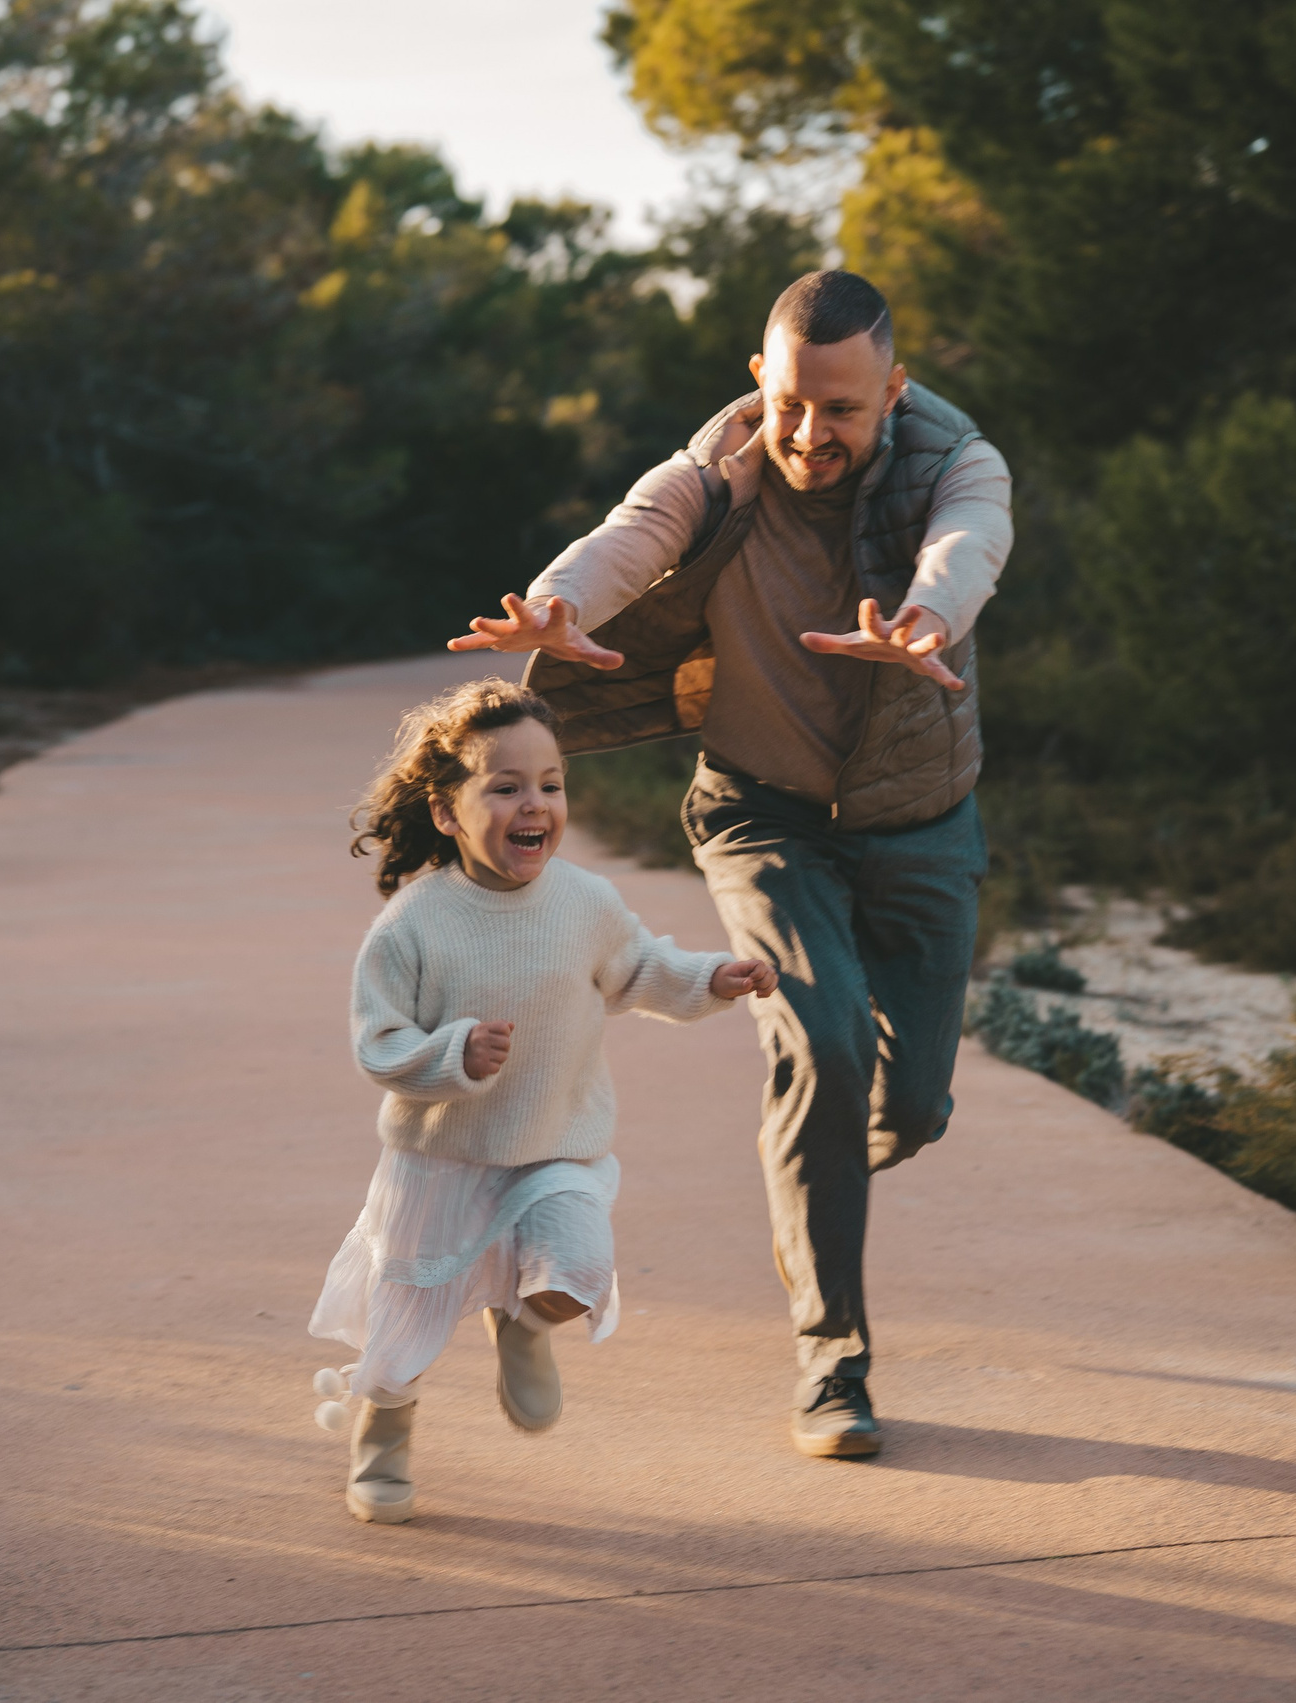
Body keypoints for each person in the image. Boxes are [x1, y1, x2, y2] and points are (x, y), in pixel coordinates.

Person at [448, 270, 1013, 1459]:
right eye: (792, 403)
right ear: (763, 378)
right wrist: (556, 605)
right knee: (821, 1042)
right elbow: (634, 533)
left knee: (905, 1106)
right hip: (763, 814)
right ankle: (831, 1363)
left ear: (892, 392)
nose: (810, 434)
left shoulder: (957, 456)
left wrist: (924, 614)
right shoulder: (722, 466)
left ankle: (827, 1148)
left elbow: (972, 540)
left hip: (919, 819)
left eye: (843, 411)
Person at [308, 679, 778, 1523]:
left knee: (579, 1270)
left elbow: (639, 970)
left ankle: (523, 1321)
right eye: (506, 785)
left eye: (551, 784)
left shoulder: (584, 903)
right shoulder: (413, 925)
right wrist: (451, 1053)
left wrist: (714, 975)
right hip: (442, 1162)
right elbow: (379, 1047)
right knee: (400, 1341)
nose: (536, 804)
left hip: (557, 1146)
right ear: (447, 812)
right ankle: (381, 1438)